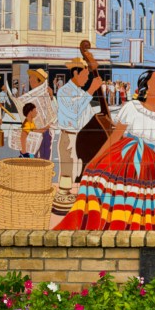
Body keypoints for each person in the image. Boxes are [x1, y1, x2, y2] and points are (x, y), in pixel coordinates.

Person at [54, 70, 155, 230]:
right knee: (102, 181)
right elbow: (114, 137)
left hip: (153, 160)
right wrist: (95, 160)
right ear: (146, 86)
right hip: (122, 153)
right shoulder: (132, 107)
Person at [54, 57, 102, 214]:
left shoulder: (81, 92)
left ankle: (76, 202)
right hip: (69, 136)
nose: (87, 79)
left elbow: (87, 114)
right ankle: (64, 204)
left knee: (79, 171)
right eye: (85, 75)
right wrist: (91, 91)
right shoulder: (64, 92)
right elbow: (74, 112)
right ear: (75, 73)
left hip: (81, 137)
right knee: (69, 172)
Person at [26, 68, 57, 160]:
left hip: (45, 131)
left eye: (32, 79)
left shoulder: (48, 94)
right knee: (32, 156)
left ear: (39, 81)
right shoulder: (30, 95)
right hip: (33, 130)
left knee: (45, 157)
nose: (30, 81)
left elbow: (54, 114)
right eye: (30, 78)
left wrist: (51, 97)